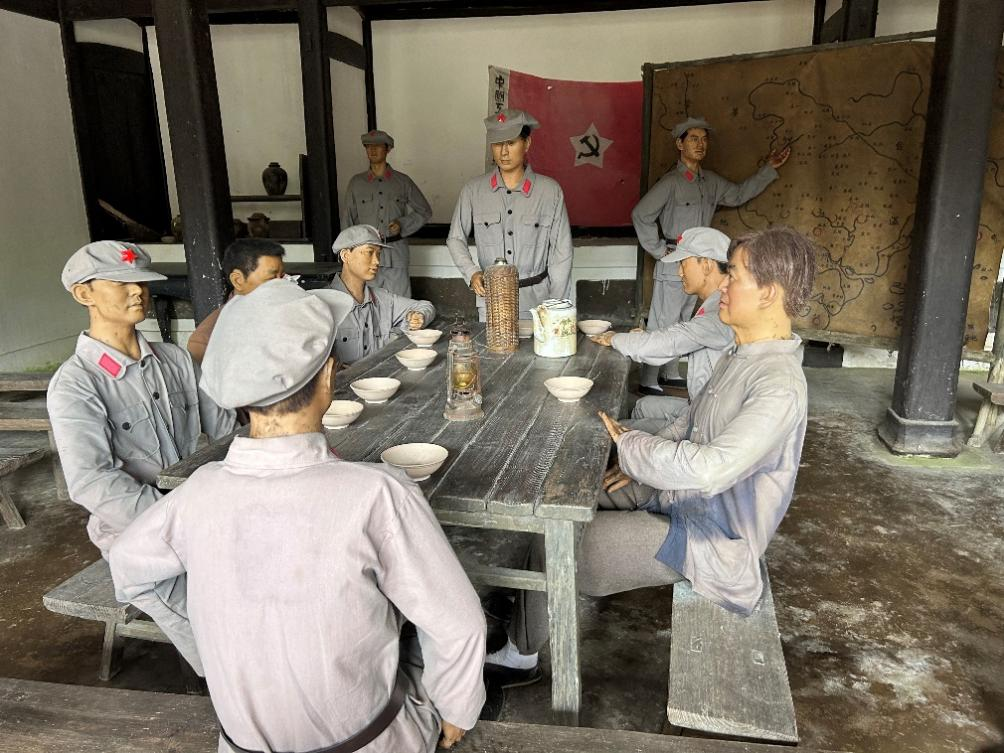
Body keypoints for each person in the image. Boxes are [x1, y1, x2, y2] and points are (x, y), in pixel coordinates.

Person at [109, 278, 487, 753]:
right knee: (423, 626)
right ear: (328, 377)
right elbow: (460, 624)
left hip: (239, 745)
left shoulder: (196, 493)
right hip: (371, 743)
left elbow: (128, 567)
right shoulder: (379, 492)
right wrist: (457, 709)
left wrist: (208, 640)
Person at [486, 226, 816, 683]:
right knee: (563, 494)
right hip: (678, 498)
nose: (723, 284)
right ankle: (531, 599)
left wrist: (633, 446)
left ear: (768, 293)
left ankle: (520, 655)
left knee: (557, 543)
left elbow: (709, 469)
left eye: (735, 275)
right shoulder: (743, 354)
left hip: (710, 539)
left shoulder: (778, 384)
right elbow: (689, 423)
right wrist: (637, 459)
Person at [47, 241, 236, 559]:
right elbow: (92, 482)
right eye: (120, 283)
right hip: (139, 535)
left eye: (142, 282)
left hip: (202, 512)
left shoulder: (176, 360)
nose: (137, 291)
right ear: (83, 294)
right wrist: (182, 520)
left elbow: (225, 433)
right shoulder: (76, 383)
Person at [632, 117, 790, 395]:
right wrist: (658, 250)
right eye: (693, 139)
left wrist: (769, 169)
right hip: (675, 262)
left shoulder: (710, 182)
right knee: (663, 320)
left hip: (701, 264)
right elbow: (641, 214)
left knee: (685, 319)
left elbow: (738, 194)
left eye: (704, 139)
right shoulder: (671, 183)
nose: (700, 144)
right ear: (679, 144)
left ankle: (669, 372)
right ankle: (648, 379)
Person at [591, 227, 734, 430]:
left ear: (706, 265)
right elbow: (684, 338)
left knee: (616, 430)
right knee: (643, 405)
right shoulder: (717, 301)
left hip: (711, 423)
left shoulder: (723, 310)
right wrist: (645, 337)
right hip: (701, 406)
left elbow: (672, 341)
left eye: (683, 263)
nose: (679, 272)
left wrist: (614, 338)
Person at [447, 108, 573, 320]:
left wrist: (556, 307)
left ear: (527, 143)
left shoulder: (549, 192)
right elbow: (455, 238)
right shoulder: (473, 191)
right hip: (491, 302)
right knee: (490, 344)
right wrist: (472, 272)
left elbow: (562, 252)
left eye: (511, 143)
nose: (504, 152)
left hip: (537, 304)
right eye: (497, 144)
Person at [342, 129, 433, 298]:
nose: (372, 150)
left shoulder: (402, 181)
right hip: (365, 254)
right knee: (367, 302)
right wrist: (350, 255)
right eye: (368, 146)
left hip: (395, 253)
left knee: (400, 303)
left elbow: (424, 211)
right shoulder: (356, 183)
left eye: (377, 146)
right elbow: (347, 221)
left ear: (388, 149)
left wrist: (402, 224)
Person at [329, 224, 436, 364]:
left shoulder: (383, 299)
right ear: (345, 255)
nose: (377, 261)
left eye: (378, 253)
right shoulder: (323, 304)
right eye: (369, 252)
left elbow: (426, 306)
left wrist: (419, 316)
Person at [186, 238, 286, 365]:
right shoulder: (206, 339)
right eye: (271, 279)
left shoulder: (285, 312)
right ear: (238, 280)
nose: (281, 285)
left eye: (282, 277)